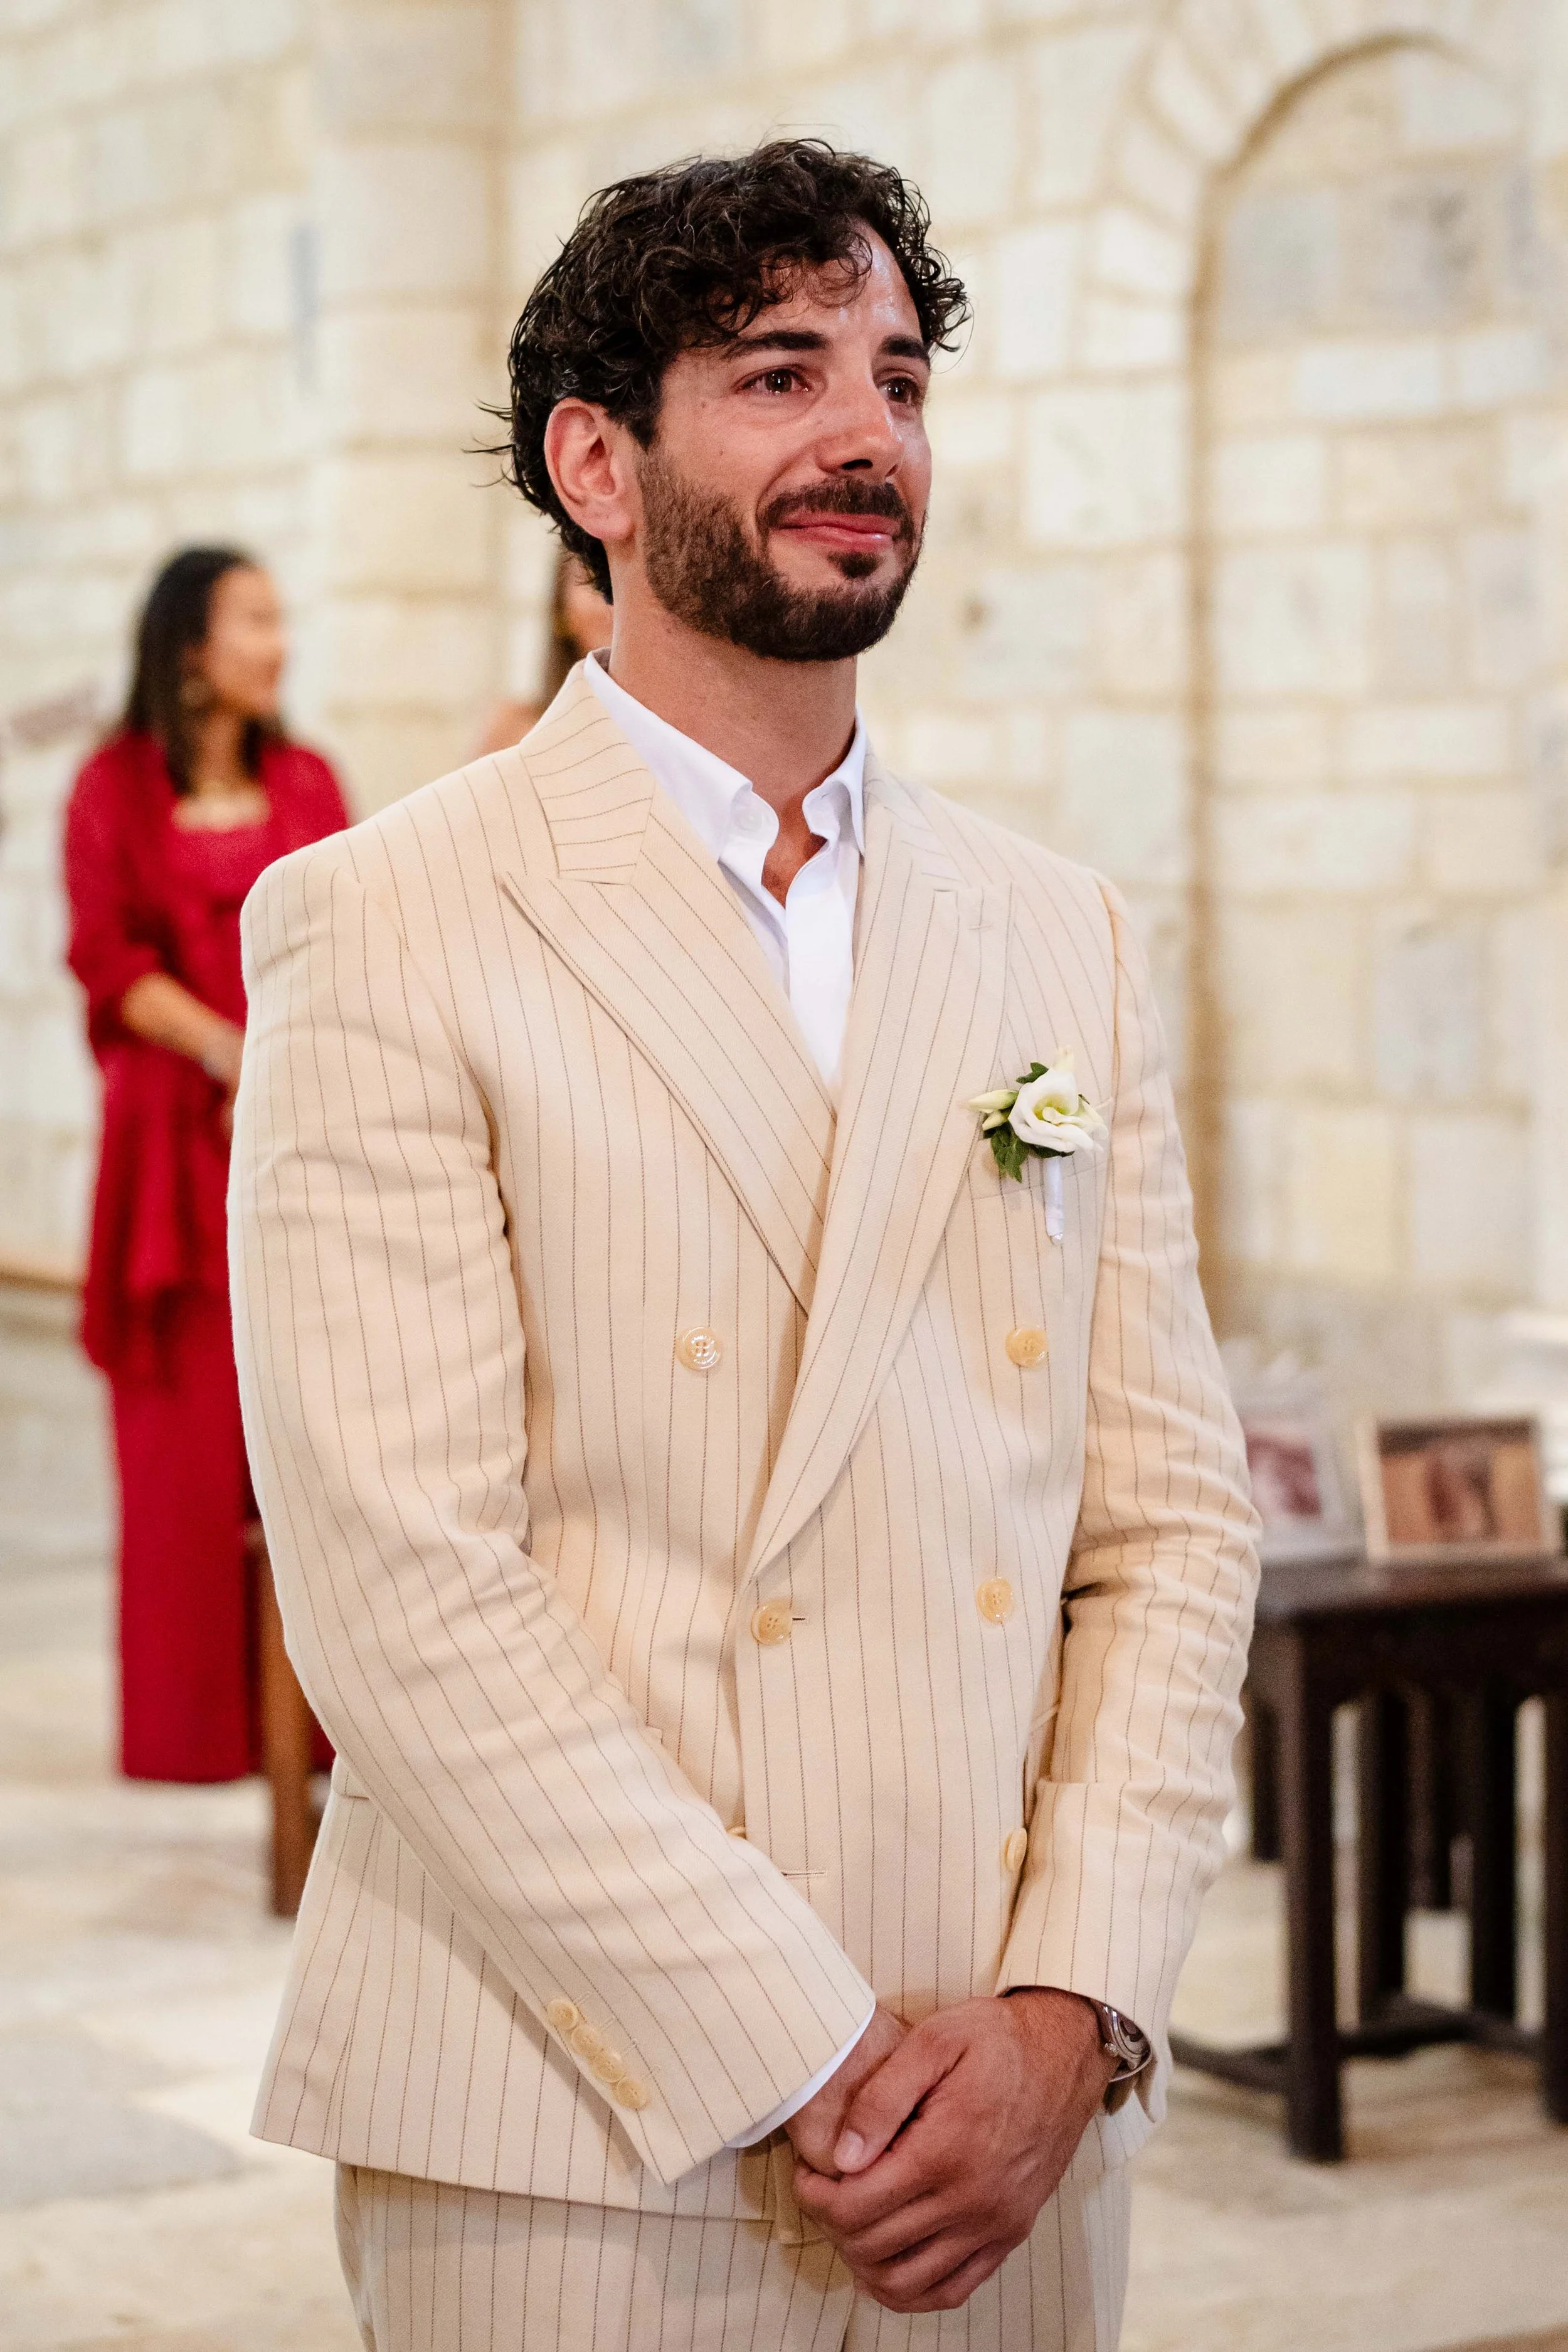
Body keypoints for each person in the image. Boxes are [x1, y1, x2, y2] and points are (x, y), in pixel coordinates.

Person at [230, 142, 1258, 2352]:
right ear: (595, 462)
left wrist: (1070, 2009)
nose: (866, 433)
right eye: (780, 373)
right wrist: (809, 2050)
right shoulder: (388, 916)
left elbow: (1166, 1521)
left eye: (896, 375)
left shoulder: (1053, 936)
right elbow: (401, 1593)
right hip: (579, 2119)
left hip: (1007, 2124)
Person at [65, 547, 348, 1782]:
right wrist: (235, 1053)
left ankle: (320, 1726)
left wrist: (285, 1070)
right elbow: (110, 963)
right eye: (255, 619)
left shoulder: (307, 778)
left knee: (305, 1428)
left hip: (290, 1130)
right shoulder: (111, 788)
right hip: (166, 1151)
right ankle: (193, 1734)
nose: (278, 641)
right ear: (192, 646)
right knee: (181, 1444)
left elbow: (345, 939)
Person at [469, 547, 613, 756]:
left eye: (621, 586)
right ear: (561, 607)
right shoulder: (513, 731)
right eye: (594, 583)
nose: (609, 604)